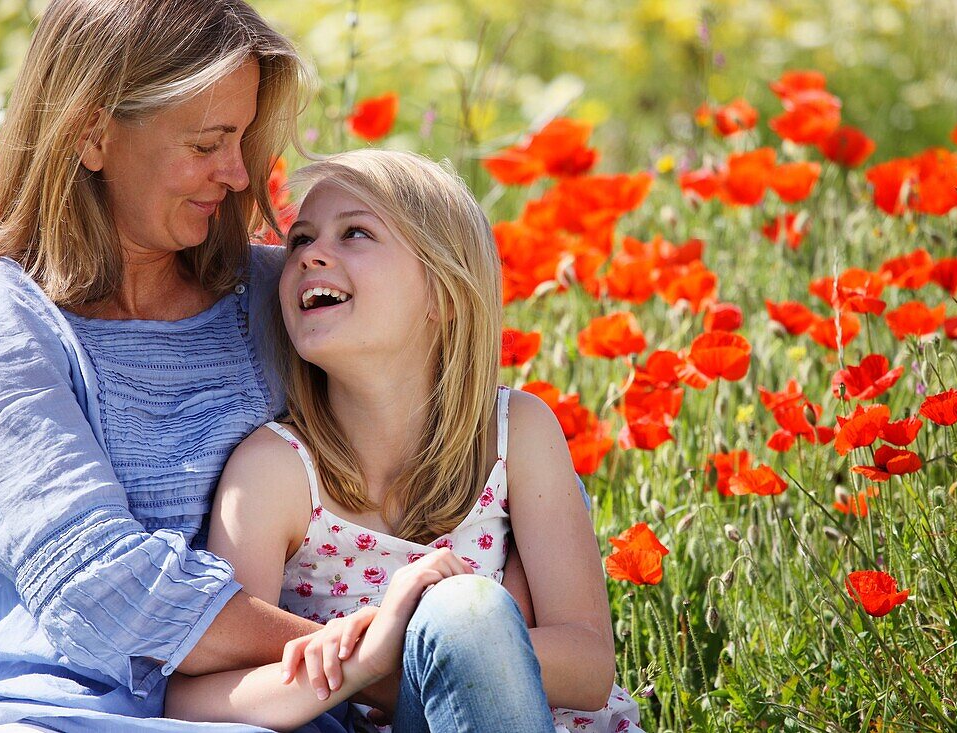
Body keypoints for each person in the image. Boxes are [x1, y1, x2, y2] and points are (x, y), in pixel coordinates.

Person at [0, 1, 375, 730]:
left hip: (271, 709)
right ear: (91, 134)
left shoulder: (278, 294)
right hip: (52, 712)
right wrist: (369, 661)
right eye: (207, 143)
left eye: (245, 137)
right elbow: (102, 586)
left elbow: (439, 422)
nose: (238, 171)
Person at [164, 150, 643, 733]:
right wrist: (367, 658)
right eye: (301, 240)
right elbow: (196, 702)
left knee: (465, 614)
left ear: (442, 293)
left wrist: (436, 642)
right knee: (466, 613)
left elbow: (590, 667)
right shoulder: (274, 472)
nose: (311, 253)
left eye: (356, 233)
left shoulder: (515, 434)